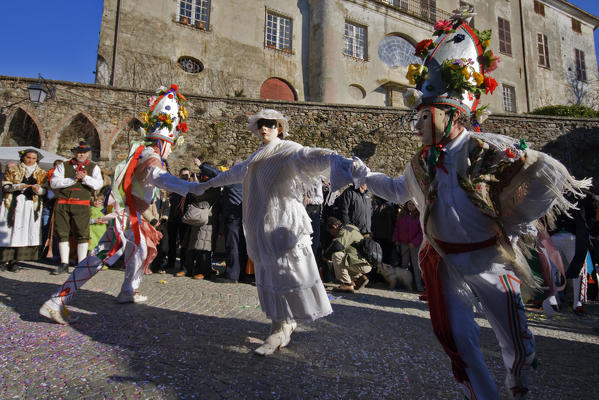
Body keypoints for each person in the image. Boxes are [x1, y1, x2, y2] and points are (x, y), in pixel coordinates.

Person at [336, 7, 591, 399]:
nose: (417, 124)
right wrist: (362, 174)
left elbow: (545, 174)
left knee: (517, 338)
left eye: (424, 116)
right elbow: (396, 190)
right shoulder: (420, 163)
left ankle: (517, 381)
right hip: (444, 262)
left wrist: (516, 220)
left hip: (489, 259)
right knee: (455, 338)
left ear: (451, 113)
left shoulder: (485, 150)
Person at [40, 84, 202, 324]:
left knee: (139, 249)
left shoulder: (143, 151)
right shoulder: (151, 155)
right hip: (126, 217)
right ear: (167, 142)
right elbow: (158, 177)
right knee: (99, 257)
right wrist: (191, 187)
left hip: (131, 215)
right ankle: (57, 300)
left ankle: (128, 290)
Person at [195, 109, 341, 356]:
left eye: (271, 124)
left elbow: (309, 155)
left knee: (285, 274)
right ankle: (281, 324)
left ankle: (279, 328)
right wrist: (203, 185)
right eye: (261, 124)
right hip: (261, 225)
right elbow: (231, 175)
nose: (265, 128)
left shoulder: (288, 149)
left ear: (279, 128)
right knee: (269, 274)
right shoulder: (255, 158)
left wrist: (339, 161)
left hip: (284, 224)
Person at [50, 141, 104, 274]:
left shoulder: (93, 167)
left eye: (84, 152)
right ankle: (64, 263)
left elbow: (98, 185)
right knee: (62, 233)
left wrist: (85, 178)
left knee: (82, 233)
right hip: (63, 202)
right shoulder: (64, 165)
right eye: (78, 152)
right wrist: (72, 179)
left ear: (88, 153)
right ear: (74, 153)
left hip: (82, 203)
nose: (81, 154)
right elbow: (54, 182)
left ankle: (81, 264)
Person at [0, 149, 47, 272]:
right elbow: (5, 185)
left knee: (23, 232)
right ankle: (3, 260)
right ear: (23, 158)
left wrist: (39, 190)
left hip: (30, 206)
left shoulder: (41, 173)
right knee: (10, 231)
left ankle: (15, 260)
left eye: (33, 158)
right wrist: (17, 186)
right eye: (28, 157)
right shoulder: (13, 170)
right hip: (13, 204)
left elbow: (46, 190)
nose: (30, 160)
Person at [181, 163, 221, 280]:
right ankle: (187, 269)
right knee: (191, 244)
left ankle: (204, 271)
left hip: (207, 218)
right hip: (198, 216)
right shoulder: (205, 184)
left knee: (204, 247)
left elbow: (199, 195)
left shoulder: (215, 185)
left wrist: (196, 183)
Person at [324, 216, 371, 293]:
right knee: (344, 257)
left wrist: (326, 256)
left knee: (336, 255)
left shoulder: (344, 231)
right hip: (364, 262)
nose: (331, 234)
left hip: (362, 264)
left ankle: (347, 284)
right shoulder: (350, 227)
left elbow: (337, 246)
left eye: (331, 232)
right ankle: (359, 278)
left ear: (334, 226)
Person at [219, 159, 248, 283]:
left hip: (233, 218)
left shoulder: (233, 179)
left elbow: (216, 174)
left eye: (232, 166)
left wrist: (201, 165)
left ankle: (232, 275)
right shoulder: (247, 180)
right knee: (241, 246)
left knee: (232, 246)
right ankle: (241, 275)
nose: (230, 169)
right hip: (243, 217)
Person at [392, 200, 424, 292]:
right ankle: (404, 283)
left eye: (413, 204)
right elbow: (397, 228)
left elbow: (421, 232)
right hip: (403, 243)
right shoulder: (402, 215)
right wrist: (396, 240)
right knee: (404, 264)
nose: (411, 206)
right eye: (409, 204)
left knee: (415, 265)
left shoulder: (419, 216)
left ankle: (418, 284)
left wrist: (414, 242)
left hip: (414, 245)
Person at [169, 168, 192, 275]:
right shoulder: (175, 187)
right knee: (172, 243)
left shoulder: (191, 188)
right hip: (174, 219)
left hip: (185, 220)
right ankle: (170, 263)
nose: (184, 177)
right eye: (182, 175)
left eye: (186, 175)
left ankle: (183, 265)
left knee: (184, 244)